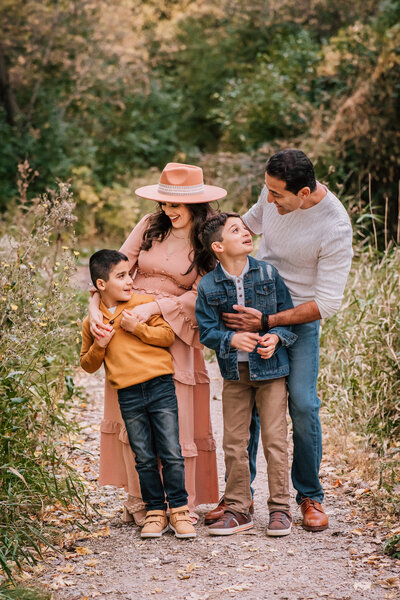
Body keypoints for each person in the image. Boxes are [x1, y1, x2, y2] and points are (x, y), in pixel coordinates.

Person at [216, 149, 353, 532]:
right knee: (252, 399)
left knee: (304, 404)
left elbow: (326, 302)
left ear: (305, 193)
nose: (269, 200)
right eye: (268, 191)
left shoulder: (335, 227)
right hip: (255, 305)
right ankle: (238, 498)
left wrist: (270, 320)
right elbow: (243, 229)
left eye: (277, 195)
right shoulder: (272, 192)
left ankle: (310, 494)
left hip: (299, 319)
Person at [88, 163, 226, 523]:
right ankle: (142, 502)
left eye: (176, 205)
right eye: (164, 203)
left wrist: (157, 306)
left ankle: (181, 502)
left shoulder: (207, 238)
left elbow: (204, 292)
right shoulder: (150, 227)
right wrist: (94, 310)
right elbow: (113, 269)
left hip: (177, 324)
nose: (168, 211)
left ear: (196, 203)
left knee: (173, 417)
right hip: (129, 319)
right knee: (132, 410)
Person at [80, 250, 196, 538]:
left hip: (159, 385)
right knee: (143, 455)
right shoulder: (92, 324)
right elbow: (87, 364)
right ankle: (155, 512)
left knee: (170, 450)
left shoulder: (142, 305)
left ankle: (179, 511)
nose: (130, 280)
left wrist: (138, 328)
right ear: (101, 285)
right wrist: (100, 345)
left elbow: (167, 336)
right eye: (121, 276)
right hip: (128, 394)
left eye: (129, 273)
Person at [196, 213, 297, 536]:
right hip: (235, 374)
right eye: (235, 230)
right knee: (235, 442)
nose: (245, 232)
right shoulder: (209, 285)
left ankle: (281, 508)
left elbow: (285, 317)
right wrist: (230, 339)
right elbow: (207, 330)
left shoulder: (268, 273)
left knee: (275, 440)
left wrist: (276, 337)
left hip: (271, 371)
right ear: (218, 247)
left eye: (244, 227)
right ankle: (239, 507)